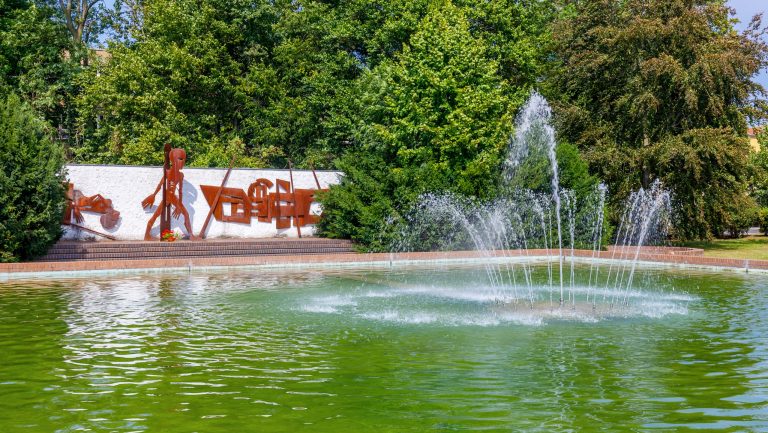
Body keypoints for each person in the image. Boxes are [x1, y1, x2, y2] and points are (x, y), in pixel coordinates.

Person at [141, 148, 197, 240]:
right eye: (180, 159)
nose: (183, 162)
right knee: (156, 215)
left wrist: (178, 206)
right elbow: (161, 184)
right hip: (167, 196)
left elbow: (180, 191)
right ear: (173, 160)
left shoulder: (181, 175)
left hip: (173, 197)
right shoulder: (167, 172)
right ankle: (147, 234)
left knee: (186, 214)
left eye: (184, 159)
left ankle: (191, 235)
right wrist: (154, 195)